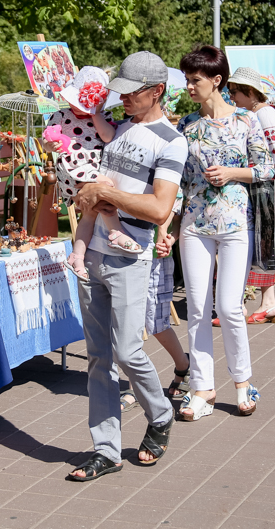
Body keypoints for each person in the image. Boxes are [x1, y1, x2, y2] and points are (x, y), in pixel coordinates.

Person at [68, 51, 187, 480]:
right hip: (96, 253)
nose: (123, 100)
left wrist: (104, 194)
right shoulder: (119, 129)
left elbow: (159, 208)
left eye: (131, 93)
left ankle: (160, 413)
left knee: (127, 351)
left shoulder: (172, 142)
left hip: (130, 258)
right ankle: (106, 449)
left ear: (156, 92)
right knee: (99, 358)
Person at [176, 45, 272, 422]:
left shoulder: (247, 121)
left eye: (194, 80)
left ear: (217, 81)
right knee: (197, 309)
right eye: (186, 79)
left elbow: (266, 168)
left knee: (230, 307)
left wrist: (233, 173)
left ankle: (242, 382)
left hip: (235, 223)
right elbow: (179, 179)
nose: (188, 86)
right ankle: (202, 389)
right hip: (195, 224)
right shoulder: (185, 125)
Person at [41, 66, 141, 281]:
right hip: (72, 167)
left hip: (92, 167)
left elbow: (107, 136)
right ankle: (116, 231)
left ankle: (77, 255)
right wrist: (52, 145)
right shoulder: (61, 115)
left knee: (90, 213)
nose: (76, 108)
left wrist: (95, 113)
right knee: (106, 187)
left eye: (83, 104)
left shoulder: (101, 115)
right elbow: (46, 141)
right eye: (74, 103)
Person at [226, 67, 275, 324]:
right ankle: (266, 303)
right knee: (260, 240)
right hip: (259, 182)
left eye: (234, 92)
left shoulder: (265, 114)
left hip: (265, 184)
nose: (231, 96)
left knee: (260, 240)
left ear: (250, 92)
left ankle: (248, 304)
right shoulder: (252, 113)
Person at [120, 211, 191, 412]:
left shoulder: (168, 181)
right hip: (125, 254)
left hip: (156, 258)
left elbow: (177, 218)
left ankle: (183, 365)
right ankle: (135, 385)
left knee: (157, 324)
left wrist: (170, 237)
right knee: (130, 320)